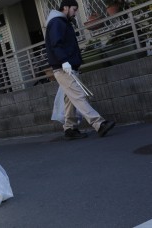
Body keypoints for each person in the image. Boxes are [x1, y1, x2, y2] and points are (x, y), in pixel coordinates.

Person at [45, 0, 115, 140]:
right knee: (78, 95)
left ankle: (69, 129)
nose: (75, 13)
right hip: (63, 68)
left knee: (70, 99)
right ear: (65, 7)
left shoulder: (62, 22)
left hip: (67, 67)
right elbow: (56, 44)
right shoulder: (57, 22)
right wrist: (64, 61)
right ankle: (99, 124)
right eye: (74, 9)